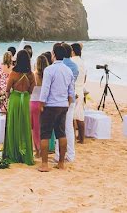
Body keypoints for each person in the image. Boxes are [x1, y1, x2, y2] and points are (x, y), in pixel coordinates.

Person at [38, 43, 74, 172]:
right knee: (61, 134)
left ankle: (44, 164)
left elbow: (45, 88)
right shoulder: (68, 70)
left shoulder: (49, 70)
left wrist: (41, 104)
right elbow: (71, 91)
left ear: (53, 54)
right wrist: (68, 103)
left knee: (45, 135)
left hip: (50, 106)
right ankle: (61, 163)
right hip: (63, 105)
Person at [3, 50, 35, 165]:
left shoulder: (13, 73)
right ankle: (25, 153)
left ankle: (13, 152)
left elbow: (7, 89)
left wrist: (8, 97)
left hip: (15, 99)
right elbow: (32, 89)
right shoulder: (31, 74)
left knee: (13, 125)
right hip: (25, 100)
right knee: (25, 126)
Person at [30, 53, 50, 157]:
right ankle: (43, 150)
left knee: (35, 129)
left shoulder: (33, 75)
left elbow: (30, 89)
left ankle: (37, 151)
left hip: (33, 103)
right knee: (43, 128)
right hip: (45, 103)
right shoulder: (48, 76)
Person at [70, 43, 87, 144]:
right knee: (80, 115)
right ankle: (81, 138)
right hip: (80, 89)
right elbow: (85, 78)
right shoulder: (83, 62)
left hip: (73, 89)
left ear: (72, 51)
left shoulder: (71, 61)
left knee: (71, 115)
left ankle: (72, 137)